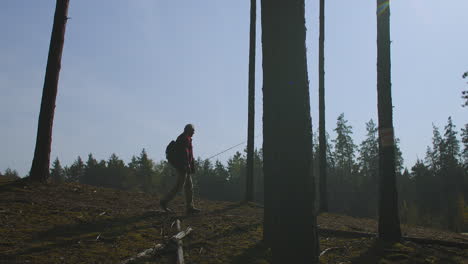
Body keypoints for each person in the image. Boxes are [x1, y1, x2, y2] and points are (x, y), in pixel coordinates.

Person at [160, 124, 201, 214]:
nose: (194, 132)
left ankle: (190, 208)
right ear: (188, 130)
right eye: (193, 130)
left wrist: (191, 166)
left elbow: (190, 155)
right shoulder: (183, 139)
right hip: (183, 168)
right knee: (179, 186)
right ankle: (164, 201)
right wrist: (187, 165)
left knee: (189, 186)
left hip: (185, 167)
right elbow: (184, 154)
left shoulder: (187, 139)